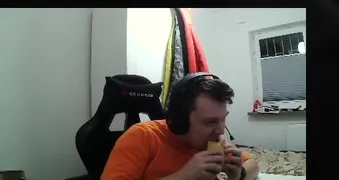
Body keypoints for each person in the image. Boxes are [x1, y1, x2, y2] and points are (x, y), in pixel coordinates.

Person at [103, 74, 260, 180]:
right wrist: (185, 175)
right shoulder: (141, 136)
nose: (220, 130)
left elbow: (253, 165)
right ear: (181, 120)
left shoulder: (212, 140)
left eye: (223, 119)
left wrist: (239, 174)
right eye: (210, 122)